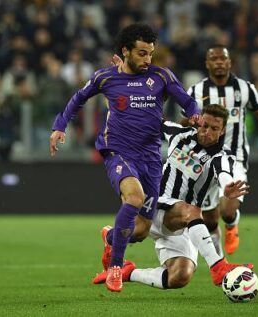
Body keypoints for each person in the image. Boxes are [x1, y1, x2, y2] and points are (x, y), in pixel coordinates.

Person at [49, 23, 202, 293]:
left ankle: (110, 237)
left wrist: (196, 115)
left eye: (150, 53)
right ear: (125, 51)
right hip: (118, 150)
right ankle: (116, 269)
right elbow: (78, 98)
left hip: (151, 157)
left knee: (141, 230)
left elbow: (187, 101)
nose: (147, 60)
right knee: (134, 197)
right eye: (142, 53)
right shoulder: (105, 78)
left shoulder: (161, 76)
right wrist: (60, 126)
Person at [92, 104, 252, 290]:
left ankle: (129, 271)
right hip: (155, 206)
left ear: (222, 130)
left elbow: (223, 172)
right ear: (198, 122)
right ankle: (218, 267)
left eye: (214, 128)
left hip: (183, 224)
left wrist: (226, 187)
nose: (206, 132)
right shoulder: (180, 134)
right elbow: (153, 121)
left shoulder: (223, 156)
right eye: (204, 125)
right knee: (188, 211)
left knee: (180, 276)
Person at [185, 44, 258, 256]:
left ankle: (231, 225)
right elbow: (184, 121)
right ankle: (219, 261)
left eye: (222, 58)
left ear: (229, 62)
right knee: (208, 219)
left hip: (235, 158)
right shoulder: (196, 91)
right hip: (205, 160)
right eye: (214, 59)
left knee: (227, 211)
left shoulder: (245, 88)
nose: (219, 62)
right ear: (207, 64)